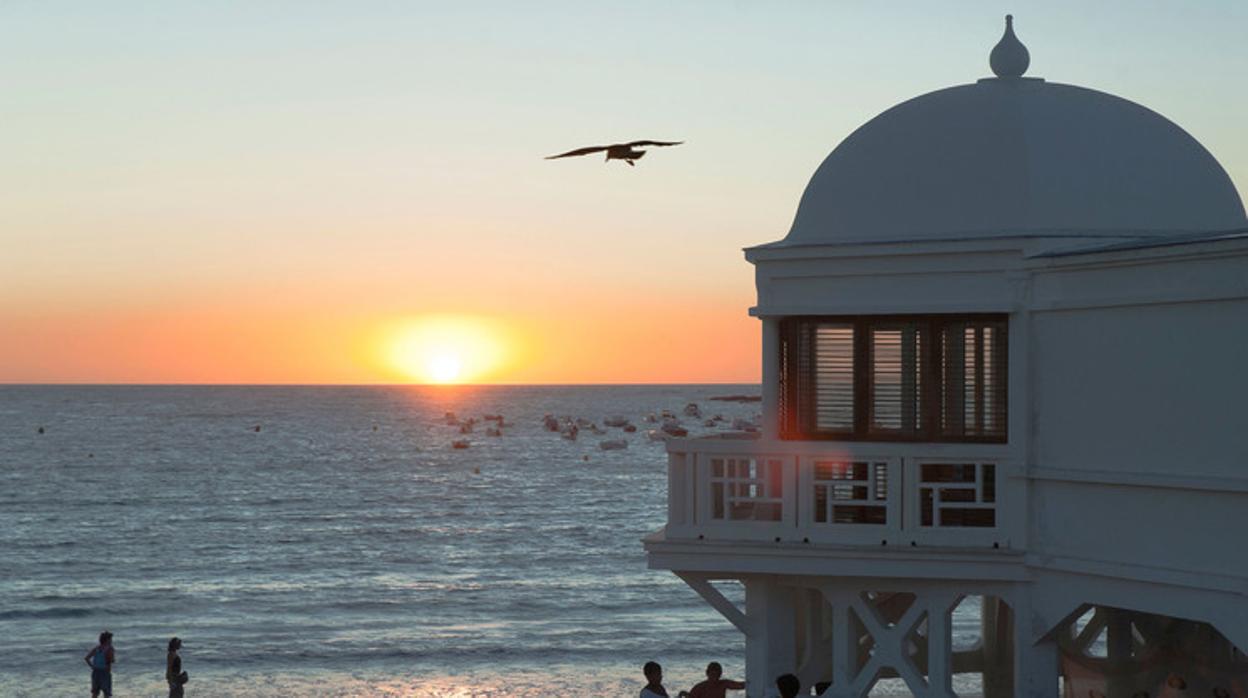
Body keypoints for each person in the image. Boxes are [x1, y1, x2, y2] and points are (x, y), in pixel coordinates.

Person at [84, 631, 115, 698]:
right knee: (106, 693)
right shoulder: (110, 648)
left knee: (95, 693)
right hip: (105, 672)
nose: (111, 640)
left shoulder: (97, 648)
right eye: (110, 639)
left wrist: (92, 666)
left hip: (95, 672)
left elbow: (86, 658)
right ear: (107, 640)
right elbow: (111, 660)